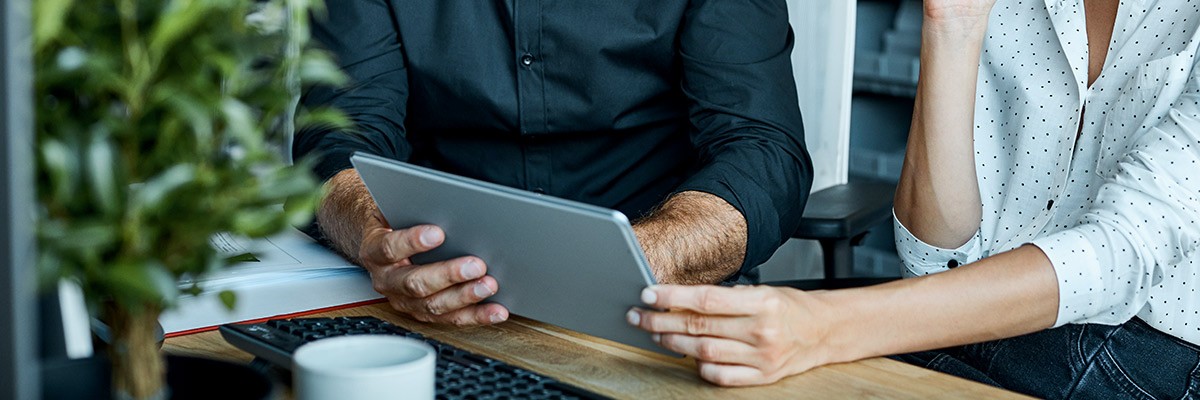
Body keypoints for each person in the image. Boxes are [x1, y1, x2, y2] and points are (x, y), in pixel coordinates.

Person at [628, 0, 1200, 397]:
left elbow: (1122, 253)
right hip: (972, 324)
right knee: (699, 368)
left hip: (1142, 357)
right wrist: (950, 23)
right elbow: (934, 258)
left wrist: (821, 327)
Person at [294, 2, 813, 327]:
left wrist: (641, 259)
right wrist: (373, 236)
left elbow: (762, 149)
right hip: (432, 293)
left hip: (660, 293)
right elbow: (338, 133)